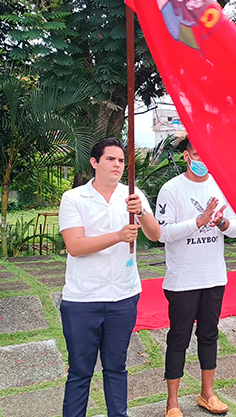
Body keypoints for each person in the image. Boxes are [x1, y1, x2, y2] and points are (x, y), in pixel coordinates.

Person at [58, 137, 161, 417]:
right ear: (94, 163)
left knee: (116, 367)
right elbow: (75, 246)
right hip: (83, 299)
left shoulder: (132, 195)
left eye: (121, 160)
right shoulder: (74, 198)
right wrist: (117, 236)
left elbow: (155, 234)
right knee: (80, 371)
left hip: (123, 297)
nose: (117, 165)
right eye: (110, 159)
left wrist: (140, 211)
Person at [155, 140, 236, 417]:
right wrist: (199, 221)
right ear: (186, 156)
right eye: (196, 154)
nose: (202, 160)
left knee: (209, 335)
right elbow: (162, 233)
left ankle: (207, 394)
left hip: (213, 276)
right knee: (178, 338)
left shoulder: (221, 185)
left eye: (207, 154)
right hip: (182, 279)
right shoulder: (171, 189)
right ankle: (172, 403)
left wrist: (222, 223)